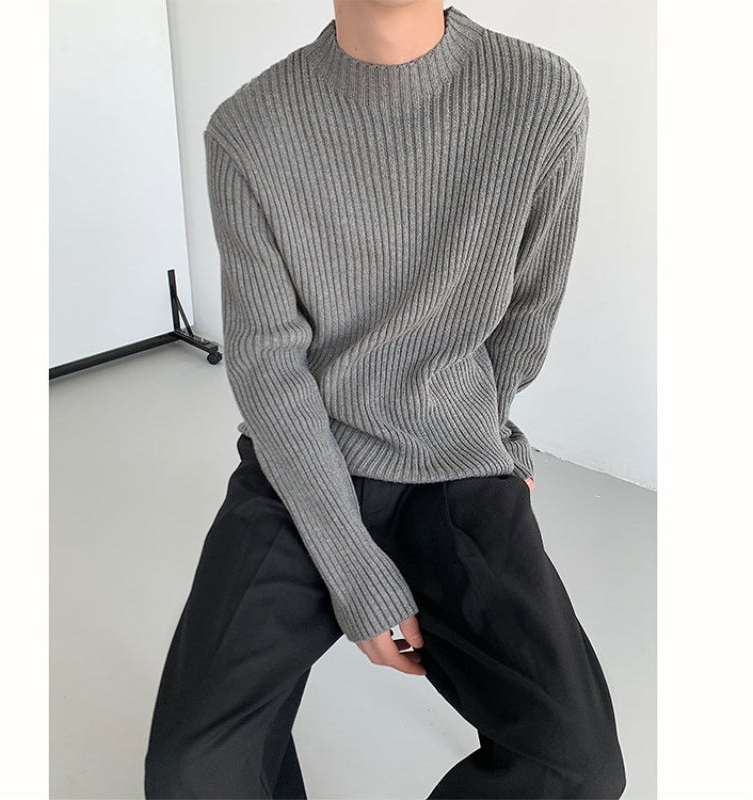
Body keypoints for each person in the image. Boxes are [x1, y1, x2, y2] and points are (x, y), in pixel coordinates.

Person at [144, 2, 627, 797]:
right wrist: (355, 572)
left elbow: (529, 307)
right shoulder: (249, 131)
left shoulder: (539, 95)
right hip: (302, 463)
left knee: (575, 763)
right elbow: (268, 365)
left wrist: (490, 436)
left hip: (456, 461)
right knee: (190, 771)